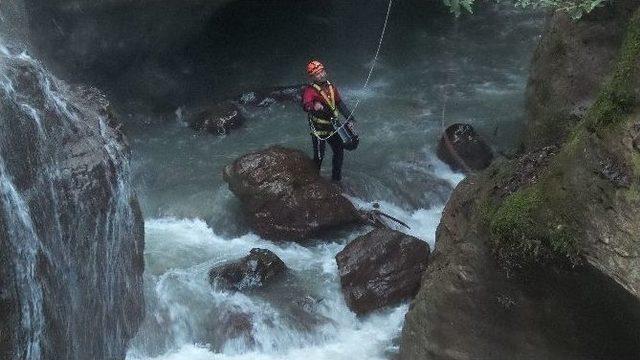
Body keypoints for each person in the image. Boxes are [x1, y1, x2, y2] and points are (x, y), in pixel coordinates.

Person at [301, 60, 355, 183]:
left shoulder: (331, 87)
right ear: (312, 77)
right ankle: (314, 181)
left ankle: (336, 180)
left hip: (333, 126)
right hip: (319, 129)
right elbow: (305, 105)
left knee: (339, 152)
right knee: (319, 156)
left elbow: (340, 104)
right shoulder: (310, 90)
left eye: (321, 72)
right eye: (317, 74)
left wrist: (350, 118)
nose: (321, 75)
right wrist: (314, 104)